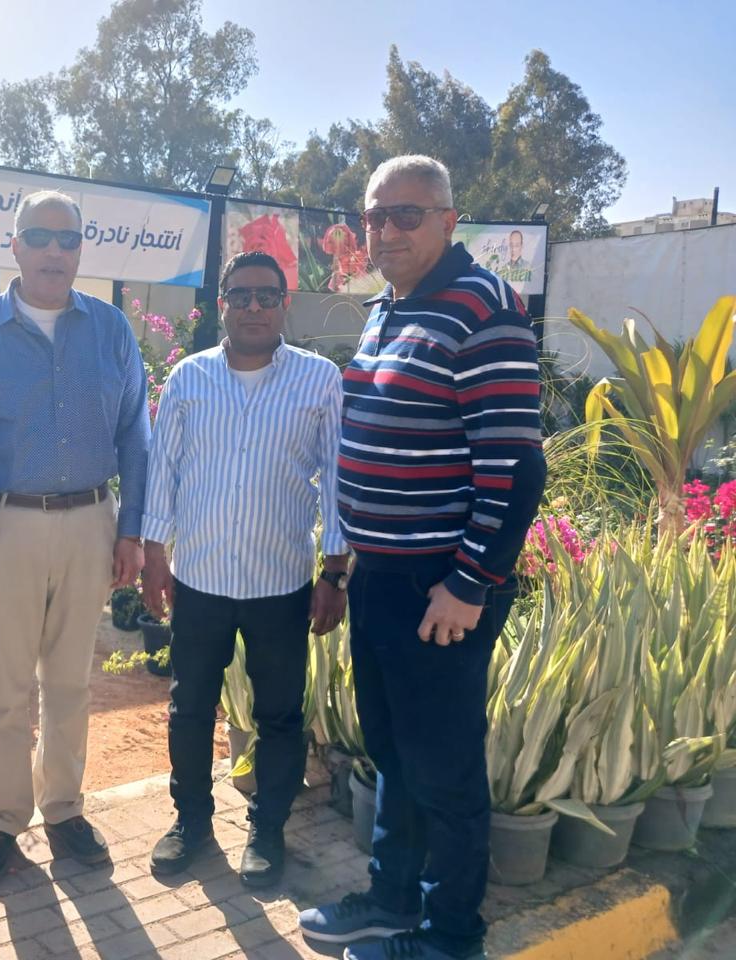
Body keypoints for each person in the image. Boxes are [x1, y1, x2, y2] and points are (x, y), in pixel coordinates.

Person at [299, 156, 545, 960]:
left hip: (439, 588)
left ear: (448, 220)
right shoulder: (389, 308)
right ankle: (392, 899)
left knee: (442, 770)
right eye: (375, 216)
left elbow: (516, 467)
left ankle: (450, 935)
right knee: (393, 754)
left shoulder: (483, 307)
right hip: (381, 578)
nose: (388, 230)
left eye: (407, 214)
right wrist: (344, 568)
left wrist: (469, 583)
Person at [0, 189, 150, 884]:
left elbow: (135, 434)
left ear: (81, 249)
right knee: (5, 685)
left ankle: (63, 810)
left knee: (69, 681)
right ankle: (3, 820)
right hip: (5, 524)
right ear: (15, 246)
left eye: (68, 239)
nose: (54, 252)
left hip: (91, 522)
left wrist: (131, 530)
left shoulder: (110, 328)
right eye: (39, 237)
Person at [141, 250, 350, 888]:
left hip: (279, 583)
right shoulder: (189, 378)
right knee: (190, 707)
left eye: (266, 296)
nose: (253, 307)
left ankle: (268, 830)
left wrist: (334, 572)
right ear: (222, 304)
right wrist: (155, 554)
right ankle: (192, 823)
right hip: (199, 579)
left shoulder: (319, 380)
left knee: (280, 715)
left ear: (284, 304)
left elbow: (336, 478)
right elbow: (164, 470)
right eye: (241, 296)